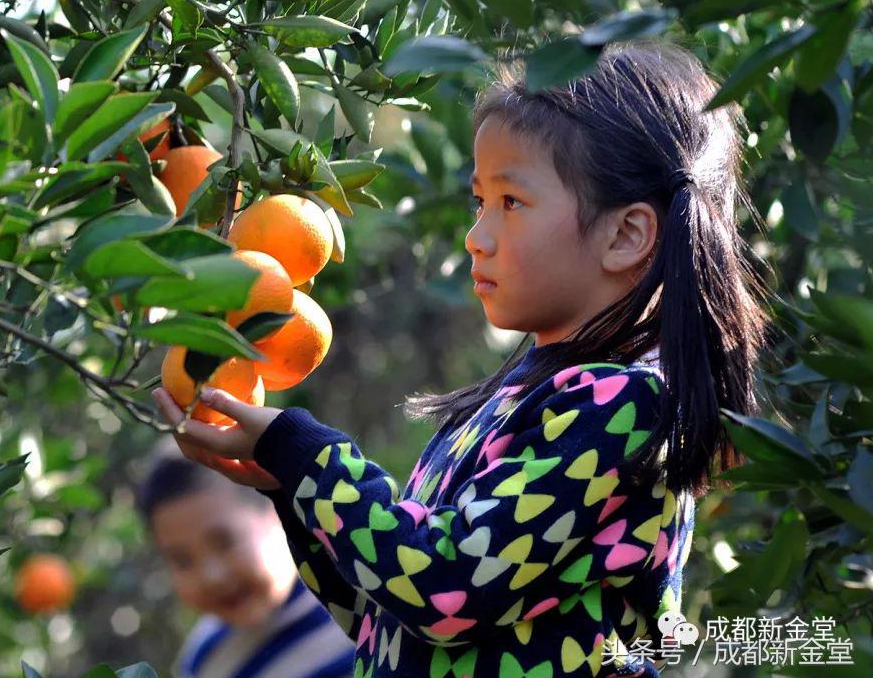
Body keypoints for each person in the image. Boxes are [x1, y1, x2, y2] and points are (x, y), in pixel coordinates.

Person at [151, 39, 770, 677]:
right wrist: (288, 486)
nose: (477, 237)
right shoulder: (520, 402)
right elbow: (385, 617)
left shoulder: (621, 407)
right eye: (480, 202)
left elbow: (443, 591)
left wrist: (307, 454)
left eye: (511, 202)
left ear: (625, 234)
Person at [135, 441, 356, 678]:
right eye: (182, 561)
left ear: (278, 513)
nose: (212, 577)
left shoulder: (360, 611)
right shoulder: (205, 658)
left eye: (226, 543)